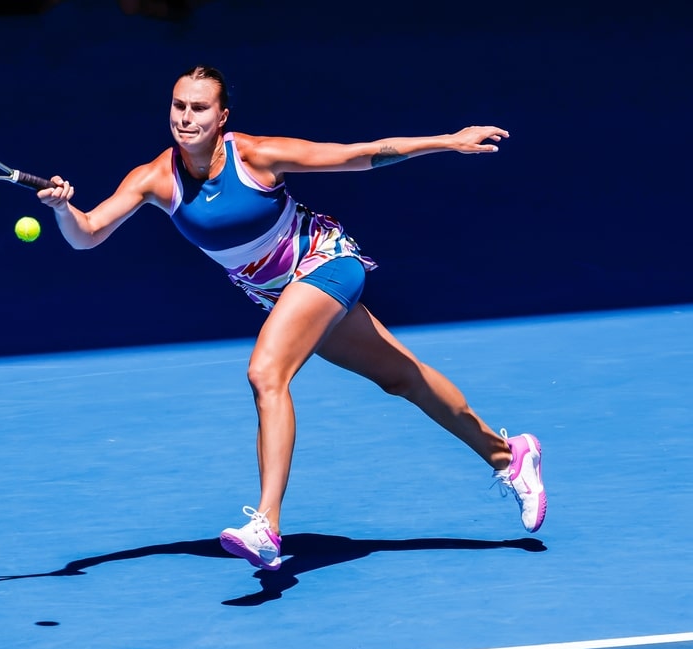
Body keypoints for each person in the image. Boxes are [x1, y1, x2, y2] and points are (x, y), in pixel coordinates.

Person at [37, 65, 546, 571]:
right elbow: (88, 233)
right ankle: (509, 455)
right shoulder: (153, 179)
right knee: (401, 378)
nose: (186, 118)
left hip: (326, 263)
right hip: (278, 295)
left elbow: (356, 155)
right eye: (178, 106)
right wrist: (64, 209)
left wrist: (447, 141)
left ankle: (266, 525)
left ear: (222, 117)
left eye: (199, 108)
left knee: (266, 372)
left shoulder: (255, 155)